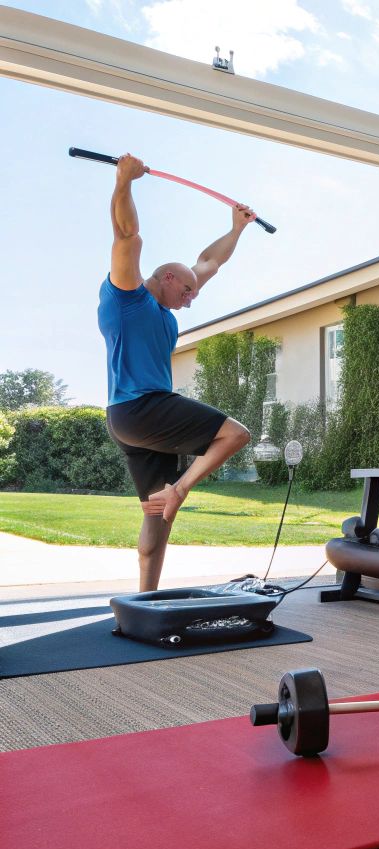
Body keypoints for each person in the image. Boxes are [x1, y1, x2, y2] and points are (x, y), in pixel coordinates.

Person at [100, 153, 257, 591]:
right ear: (166, 277)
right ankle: (182, 487)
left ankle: (143, 600)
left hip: (127, 420)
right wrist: (124, 182)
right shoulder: (127, 297)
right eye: (186, 290)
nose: (191, 298)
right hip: (143, 407)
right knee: (236, 434)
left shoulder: (169, 301)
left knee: (157, 511)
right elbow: (126, 235)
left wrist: (237, 227)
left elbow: (209, 263)